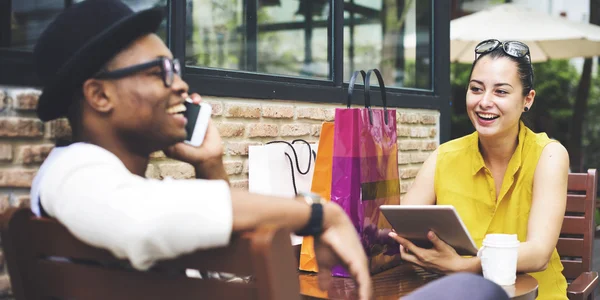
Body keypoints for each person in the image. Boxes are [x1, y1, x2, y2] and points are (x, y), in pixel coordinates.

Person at [29, 1, 371, 299]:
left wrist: (210, 165)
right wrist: (318, 214)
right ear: (100, 96)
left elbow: (219, 275)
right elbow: (142, 222)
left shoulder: (120, 185)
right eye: (159, 71)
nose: (180, 84)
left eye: (175, 69)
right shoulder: (70, 170)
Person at [389, 39, 569, 299]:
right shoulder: (444, 156)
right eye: (476, 89)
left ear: (527, 99)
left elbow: (539, 254)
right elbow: (402, 228)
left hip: (536, 295)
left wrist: (463, 265)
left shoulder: (549, 155)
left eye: (501, 92)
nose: (484, 102)